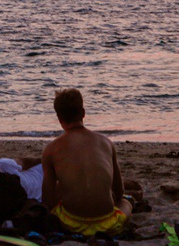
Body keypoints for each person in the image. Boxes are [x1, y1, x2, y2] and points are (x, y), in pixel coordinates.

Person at [41, 89, 132, 236]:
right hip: (107, 224)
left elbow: (48, 200)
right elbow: (119, 191)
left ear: (59, 118)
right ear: (83, 113)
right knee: (126, 203)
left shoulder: (51, 149)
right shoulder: (106, 142)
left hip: (69, 223)